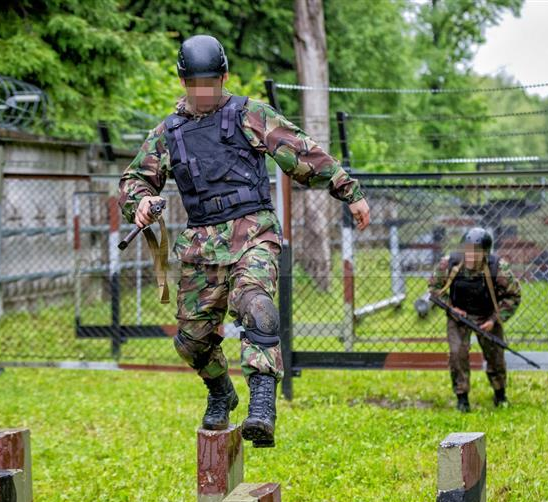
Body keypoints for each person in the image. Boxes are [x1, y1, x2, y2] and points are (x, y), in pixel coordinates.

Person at [118, 34, 370, 447]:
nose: (204, 91)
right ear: (183, 82)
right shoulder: (169, 133)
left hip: (254, 230)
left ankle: (262, 406)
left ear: (224, 77)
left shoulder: (248, 114)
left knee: (257, 306)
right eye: (196, 83)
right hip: (201, 245)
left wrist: (349, 191)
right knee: (192, 339)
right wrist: (141, 201)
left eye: (211, 82)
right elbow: (133, 180)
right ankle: (221, 392)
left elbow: (301, 152)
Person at [428, 227, 521, 412]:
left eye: (476, 252)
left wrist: (495, 319)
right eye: (467, 250)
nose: (470, 256)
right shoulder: (450, 264)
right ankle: (462, 398)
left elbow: (513, 296)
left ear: (485, 253)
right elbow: (434, 289)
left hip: (487, 315)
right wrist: (452, 309)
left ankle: (500, 394)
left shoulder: (498, 268)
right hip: (459, 316)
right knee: (457, 354)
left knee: (495, 354)